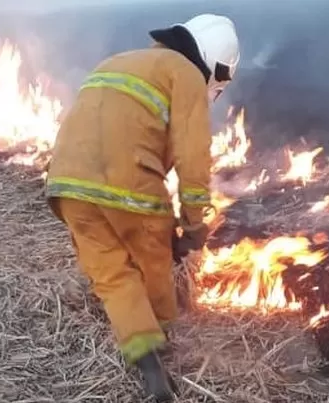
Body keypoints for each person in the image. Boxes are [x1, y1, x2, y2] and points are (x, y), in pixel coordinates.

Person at [43, 14, 240, 401]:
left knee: (113, 277)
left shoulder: (116, 62)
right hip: (129, 185)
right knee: (155, 267)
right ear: (212, 65)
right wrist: (194, 224)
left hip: (67, 186)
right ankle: (165, 338)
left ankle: (146, 359)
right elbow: (192, 155)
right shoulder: (184, 73)